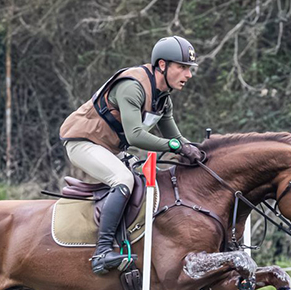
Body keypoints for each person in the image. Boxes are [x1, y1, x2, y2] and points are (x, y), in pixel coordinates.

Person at [60, 36, 202, 274]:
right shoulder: (132, 86)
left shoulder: (162, 99)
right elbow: (136, 136)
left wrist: (200, 153)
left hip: (107, 148)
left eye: (190, 69)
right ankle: (102, 252)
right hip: (82, 142)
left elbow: (176, 137)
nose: (188, 75)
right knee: (123, 180)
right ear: (162, 65)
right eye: (182, 67)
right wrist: (176, 147)